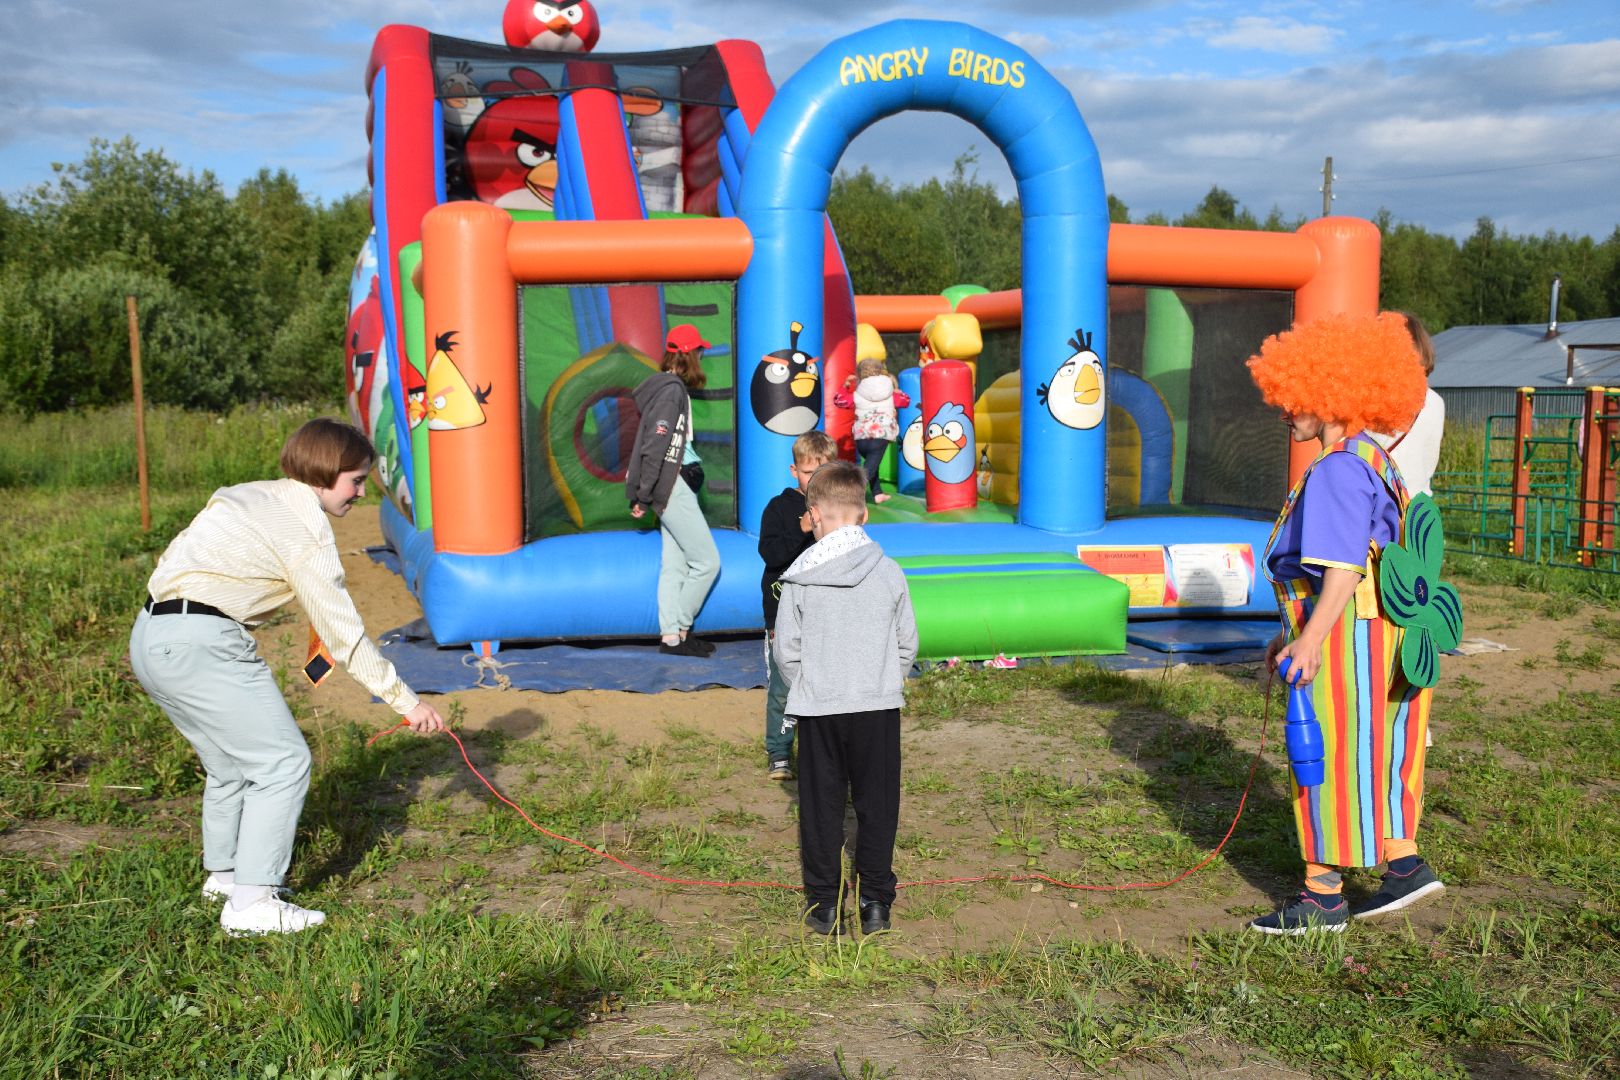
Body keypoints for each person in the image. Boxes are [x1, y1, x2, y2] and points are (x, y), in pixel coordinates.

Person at [129, 418, 446, 937]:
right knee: (283, 762)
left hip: (151, 635)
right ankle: (252, 903)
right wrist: (405, 701)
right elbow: (343, 633)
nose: (361, 493)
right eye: (355, 481)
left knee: (230, 765)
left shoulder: (247, 494)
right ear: (324, 472)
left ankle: (224, 879)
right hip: (204, 643)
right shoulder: (305, 529)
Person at [1247, 311, 1445, 935]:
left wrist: (1308, 638)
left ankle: (1323, 896)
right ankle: (1403, 864)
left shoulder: (1336, 467)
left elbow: (1341, 566)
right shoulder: (1374, 458)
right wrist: (1291, 630)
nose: (1284, 411)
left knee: (1327, 753)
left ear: (1331, 391)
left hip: (1345, 639)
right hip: (1389, 632)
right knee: (1384, 746)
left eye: (1295, 397)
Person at [773, 461, 918, 936]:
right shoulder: (890, 571)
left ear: (813, 515)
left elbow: (786, 652)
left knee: (821, 808)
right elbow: (907, 641)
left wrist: (812, 684)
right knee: (878, 805)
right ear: (864, 515)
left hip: (820, 709)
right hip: (877, 707)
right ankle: (875, 903)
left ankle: (824, 905)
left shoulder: (799, 577)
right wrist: (882, 679)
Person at [627, 324, 721, 657]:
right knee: (707, 562)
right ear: (689, 354)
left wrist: (645, 491)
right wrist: (643, 494)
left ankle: (671, 638)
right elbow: (655, 445)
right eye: (700, 352)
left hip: (672, 482)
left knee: (675, 564)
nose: (702, 357)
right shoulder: (670, 391)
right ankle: (681, 627)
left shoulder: (669, 388)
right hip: (673, 483)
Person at [757, 430, 838, 781]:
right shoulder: (779, 508)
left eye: (823, 472)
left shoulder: (837, 509)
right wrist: (802, 528)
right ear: (794, 471)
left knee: (826, 684)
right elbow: (771, 554)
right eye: (808, 473)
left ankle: (823, 752)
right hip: (784, 615)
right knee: (783, 688)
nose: (815, 480)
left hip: (826, 614)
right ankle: (779, 753)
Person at [1371, 312, 1446, 496]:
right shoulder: (1435, 401)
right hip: (1418, 505)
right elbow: (1428, 462)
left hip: (1382, 503)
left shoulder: (1372, 399)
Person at [844, 358, 906, 503]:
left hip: (861, 437)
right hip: (880, 435)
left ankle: (877, 493)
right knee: (869, 469)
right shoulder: (889, 390)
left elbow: (840, 401)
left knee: (872, 464)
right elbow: (905, 401)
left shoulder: (857, 392)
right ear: (880, 371)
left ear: (860, 374)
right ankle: (852, 493)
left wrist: (845, 387)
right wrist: (899, 392)